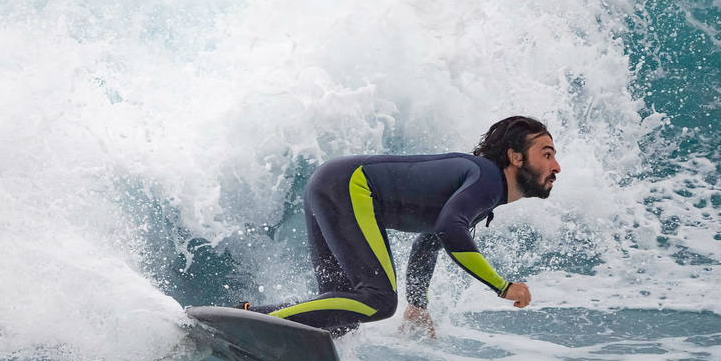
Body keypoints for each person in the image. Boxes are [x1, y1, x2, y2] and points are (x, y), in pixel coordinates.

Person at [237, 116, 561, 337]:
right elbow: (450, 229)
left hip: (332, 183)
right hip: (348, 186)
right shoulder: (488, 179)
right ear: (516, 157)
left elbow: (429, 241)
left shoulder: (480, 189)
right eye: (546, 155)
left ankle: (256, 322)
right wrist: (502, 285)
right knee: (378, 300)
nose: (556, 166)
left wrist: (418, 304)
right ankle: (255, 319)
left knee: (341, 314)